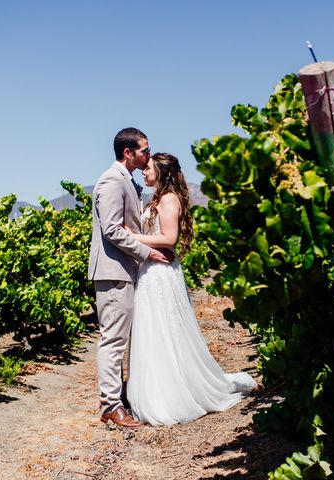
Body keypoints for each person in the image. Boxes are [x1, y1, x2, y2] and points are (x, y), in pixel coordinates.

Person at [125, 152, 257, 426]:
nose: (144, 172)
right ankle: (159, 387)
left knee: (165, 330)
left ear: (162, 171)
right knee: (153, 330)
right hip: (151, 270)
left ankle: (172, 392)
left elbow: (169, 238)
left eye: (148, 168)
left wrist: (131, 236)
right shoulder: (158, 198)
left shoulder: (170, 199)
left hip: (161, 272)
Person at [88, 128, 170, 428]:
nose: (148, 155)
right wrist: (148, 253)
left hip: (125, 270)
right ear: (128, 152)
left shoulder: (127, 181)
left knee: (123, 339)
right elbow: (112, 230)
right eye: (144, 151)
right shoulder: (111, 180)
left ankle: (121, 398)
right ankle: (110, 406)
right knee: (113, 340)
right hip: (113, 271)